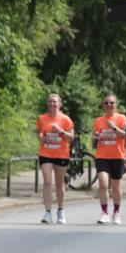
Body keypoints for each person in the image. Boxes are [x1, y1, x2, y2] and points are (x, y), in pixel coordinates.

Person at [35, 93, 75, 224]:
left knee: (59, 184)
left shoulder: (66, 119)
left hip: (61, 154)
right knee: (47, 181)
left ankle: (60, 210)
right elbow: (39, 132)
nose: (52, 104)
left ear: (60, 104)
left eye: (55, 102)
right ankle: (47, 213)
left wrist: (61, 132)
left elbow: (71, 138)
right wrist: (41, 137)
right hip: (45, 153)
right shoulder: (42, 118)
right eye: (50, 102)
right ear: (47, 104)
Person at [92, 94, 126, 224]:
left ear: (116, 105)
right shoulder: (98, 121)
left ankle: (117, 212)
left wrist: (113, 127)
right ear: (103, 105)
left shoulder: (121, 118)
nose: (109, 105)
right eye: (107, 103)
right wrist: (94, 139)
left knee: (116, 186)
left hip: (117, 156)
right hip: (102, 156)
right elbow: (94, 139)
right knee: (103, 183)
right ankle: (104, 213)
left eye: (112, 103)